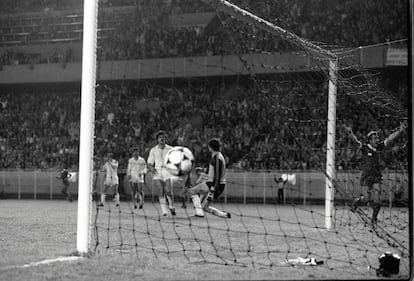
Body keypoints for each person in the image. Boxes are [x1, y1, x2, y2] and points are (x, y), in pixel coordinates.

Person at [344, 121, 407, 223]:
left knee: (377, 198)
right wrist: (350, 133)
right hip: (366, 176)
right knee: (366, 198)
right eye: (375, 138)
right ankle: (356, 202)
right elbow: (355, 142)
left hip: (377, 176)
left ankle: (374, 219)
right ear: (370, 140)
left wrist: (400, 130)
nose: (377, 140)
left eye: (377, 138)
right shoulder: (364, 147)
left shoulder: (379, 147)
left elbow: (390, 139)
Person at [188, 138, 231, 218]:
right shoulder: (217, 156)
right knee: (205, 207)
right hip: (216, 184)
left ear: (210, 147)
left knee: (192, 191)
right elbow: (214, 170)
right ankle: (225, 215)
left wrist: (213, 188)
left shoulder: (217, 158)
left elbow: (217, 174)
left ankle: (199, 213)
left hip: (213, 184)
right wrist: (203, 170)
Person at [147, 130, 175, 216]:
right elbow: (149, 162)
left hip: (167, 171)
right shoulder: (153, 150)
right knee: (161, 190)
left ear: (165, 139)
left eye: (163, 137)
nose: (162, 138)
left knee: (168, 191)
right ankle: (164, 210)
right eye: (160, 137)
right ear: (157, 140)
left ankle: (171, 206)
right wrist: (151, 168)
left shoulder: (170, 149)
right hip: (158, 171)